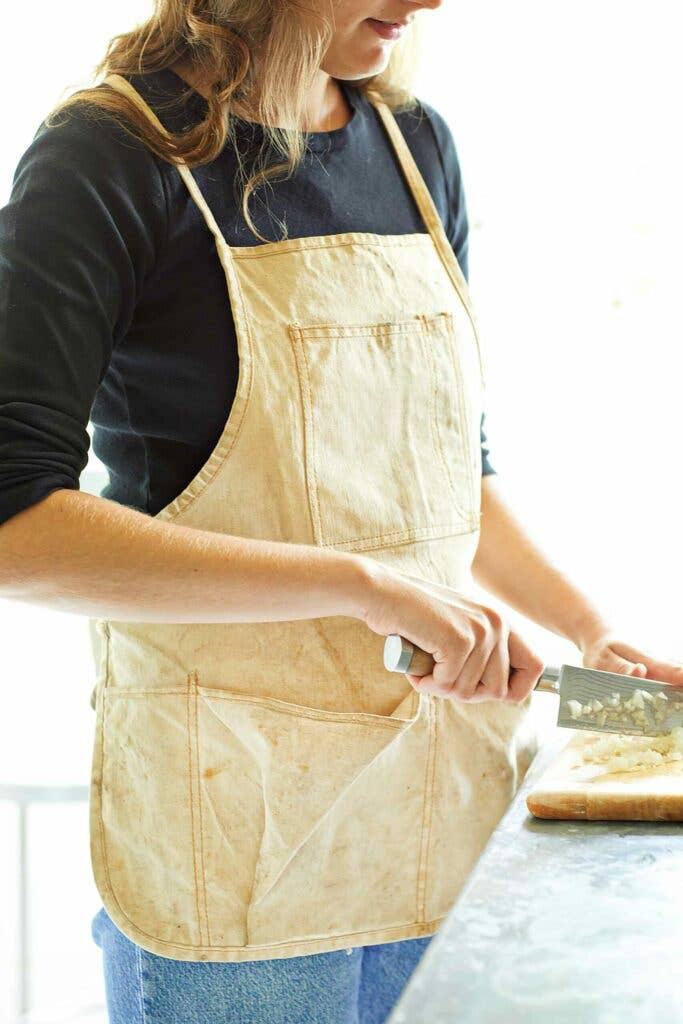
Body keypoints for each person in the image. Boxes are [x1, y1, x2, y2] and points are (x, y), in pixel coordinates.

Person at [1, 2, 681, 1022]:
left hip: (441, 817)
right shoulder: (109, 157)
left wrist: (590, 628)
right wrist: (361, 587)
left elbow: (455, 470)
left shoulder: (416, 146)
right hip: (236, 843)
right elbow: (18, 531)